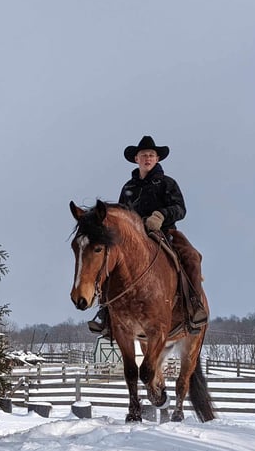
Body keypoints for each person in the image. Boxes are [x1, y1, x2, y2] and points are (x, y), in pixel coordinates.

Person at [88, 135, 208, 337]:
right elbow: (121, 214)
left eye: (151, 155)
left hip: (164, 232)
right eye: (144, 155)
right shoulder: (128, 188)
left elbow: (180, 208)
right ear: (136, 159)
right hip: (133, 240)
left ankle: (194, 306)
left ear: (157, 159)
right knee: (110, 261)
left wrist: (161, 215)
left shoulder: (167, 183)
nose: (148, 158)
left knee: (192, 257)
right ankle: (106, 313)